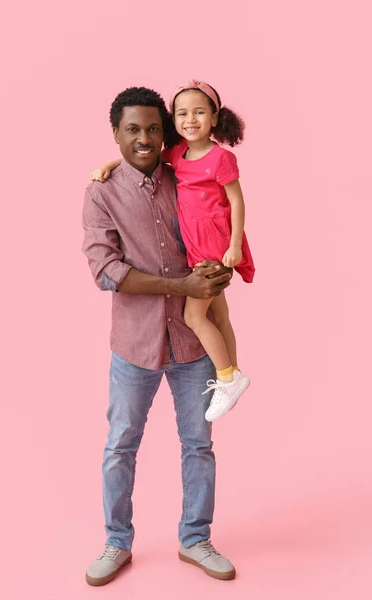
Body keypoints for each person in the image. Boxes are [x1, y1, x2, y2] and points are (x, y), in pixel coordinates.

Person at [82, 86, 238, 586]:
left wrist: (219, 268)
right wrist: (180, 285)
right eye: (132, 130)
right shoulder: (101, 191)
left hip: (192, 342)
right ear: (116, 134)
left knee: (199, 444)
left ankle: (195, 538)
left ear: (165, 131)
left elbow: (219, 216)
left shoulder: (186, 174)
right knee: (120, 445)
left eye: (153, 128)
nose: (144, 138)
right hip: (134, 345)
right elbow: (106, 270)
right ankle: (116, 542)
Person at [90, 79, 255, 422]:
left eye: (198, 112)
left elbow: (237, 202)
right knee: (219, 316)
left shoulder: (218, 159)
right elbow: (135, 153)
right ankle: (233, 373)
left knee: (194, 316)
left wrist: (235, 245)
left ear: (214, 117)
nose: (190, 119)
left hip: (213, 245)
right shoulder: (176, 156)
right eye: (182, 113)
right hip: (188, 255)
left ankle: (228, 378)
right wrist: (108, 165)